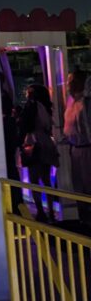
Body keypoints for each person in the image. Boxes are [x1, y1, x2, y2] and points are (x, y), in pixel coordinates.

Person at [20, 83, 58, 222]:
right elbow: (48, 125)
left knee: (34, 180)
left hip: (33, 143)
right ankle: (51, 211)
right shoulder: (46, 108)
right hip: (46, 142)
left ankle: (41, 212)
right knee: (46, 179)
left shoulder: (32, 107)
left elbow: (26, 125)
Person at [63, 70, 91, 224]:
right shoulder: (71, 101)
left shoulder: (86, 101)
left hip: (87, 147)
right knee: (78, 185)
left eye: (71, 81)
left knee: (88, 184)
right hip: (75, 149)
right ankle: (83, 218)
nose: (69, 84)